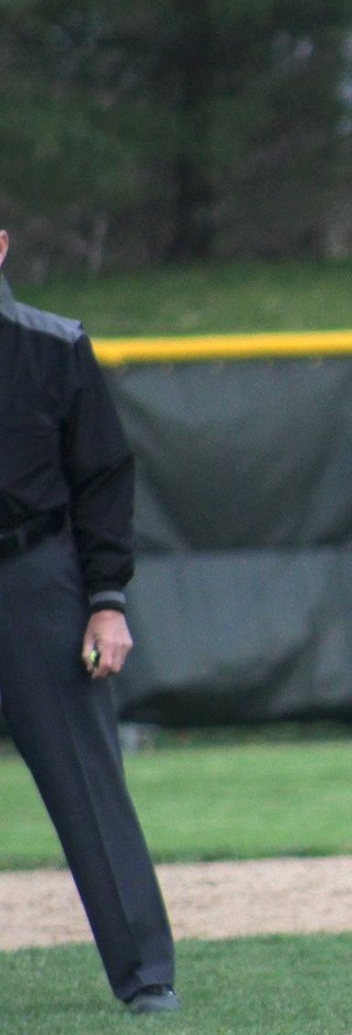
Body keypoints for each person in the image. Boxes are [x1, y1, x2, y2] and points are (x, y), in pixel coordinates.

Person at [0, 229, 179, 1015]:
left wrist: (107, 600)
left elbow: (104, 479)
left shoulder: (53, 346)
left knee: (86, 785)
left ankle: (147, 980)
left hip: (34, 576)